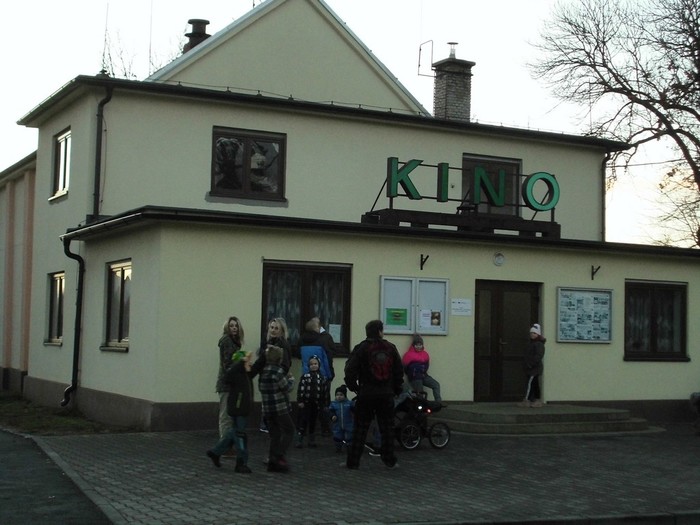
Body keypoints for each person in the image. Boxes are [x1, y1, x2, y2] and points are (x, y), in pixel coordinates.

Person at [343, 319, 403, 470]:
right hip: (386, 394)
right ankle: (390, 460)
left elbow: (350, 370)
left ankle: (353, 462)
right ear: (380, 331)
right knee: (387, 428)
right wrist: (396, 389)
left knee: (360, 428)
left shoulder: (361, 348)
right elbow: (398, 371)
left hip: (366, 393)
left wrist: (354, 387)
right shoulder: (390, 348)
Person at [206, 350, 253, 473]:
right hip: (238, 409)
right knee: (240, 435)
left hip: (242, 408)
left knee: (234, 432)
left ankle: (215, 452)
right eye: (247, 362)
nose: (250, 364)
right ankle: (241, 463)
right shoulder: (235, 374)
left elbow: (257, 367)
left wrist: (265, 355)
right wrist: (241, 362)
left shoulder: (246, 374)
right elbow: (226, 377)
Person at [250, 317, 292, 432]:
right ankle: (270, 426)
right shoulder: (268, 343)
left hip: (276, 381)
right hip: (268, 380)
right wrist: (250, 374)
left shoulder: (282, 345)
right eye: (271, 327)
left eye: (276, 328)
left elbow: (286, 364)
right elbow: (260, 362)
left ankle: (274, 427)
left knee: (278, 407)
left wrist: (275, 374)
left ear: (281, 330)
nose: (273, 330)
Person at [259, 344, 295, 472]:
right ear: (279, 358)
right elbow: (287, 388)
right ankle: (279, 455)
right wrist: (291, 379)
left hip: (267, 409)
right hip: (279, 408)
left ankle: (272, 461)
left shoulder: (263, 372)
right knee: (290, 430)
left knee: (275, 434)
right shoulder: (278, 371)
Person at [299, 317, 335, 435]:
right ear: (316, 328)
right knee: (323, 402)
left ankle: (303, 428)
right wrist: (330, 374)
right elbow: (327, 359)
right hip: (322, 376)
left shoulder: (301, 340)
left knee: (307, 403)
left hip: (306, 375)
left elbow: (299, 356)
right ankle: (325, 428)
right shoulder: (322, 340)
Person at [215, 316, 244, 448]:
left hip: (232, 383)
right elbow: (227, 363)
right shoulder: (227, 341)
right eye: (231, 325)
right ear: (227, 327)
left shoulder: (235, 342)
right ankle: (224, 445)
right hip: (226, 383)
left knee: (229, 416)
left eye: (236, 326)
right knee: (225, 416)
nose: (234, 328)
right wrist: (240, 361)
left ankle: (227, 444)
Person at [295, 355, 329, 448]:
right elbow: (301, 389)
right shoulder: (305, 376)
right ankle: (299, 439)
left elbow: (325, 392)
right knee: (303, 421)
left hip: (317, 404)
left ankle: (311, 440)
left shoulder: (322, 378)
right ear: (308, 366)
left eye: (315, 364)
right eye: (311, 364)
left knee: (313, 421)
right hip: (306, 403)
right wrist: (300, 401)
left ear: (319, 365)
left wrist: (325, 403)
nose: (313, 366)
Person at [402, 334, 442, 403]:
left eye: (420, 345)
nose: (418, 347)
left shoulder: (425, 354)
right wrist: (413, 374)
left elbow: (427, 366)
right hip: (415, 377)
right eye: (416, 345)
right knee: (420, 394)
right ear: (413, 345)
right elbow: (405, 368)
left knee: (436, 385)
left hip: (424, 376)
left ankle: (438, 403)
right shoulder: (408, 355)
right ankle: (421, 407)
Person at [519, 323, 546, 408]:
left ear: (538, 334)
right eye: (531, 333)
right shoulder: (532, 344)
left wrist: (530, 364)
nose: (532, 335)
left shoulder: (538, 344)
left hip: (534, 368)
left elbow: (538, 356)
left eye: (534, 333)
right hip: (531, 367)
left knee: (530, 384)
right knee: (534, 384)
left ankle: (527, 400)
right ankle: (535, 399)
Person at [329, 384, 354, 453]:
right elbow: (330, 412)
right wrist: (332, 416)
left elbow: (354, 410)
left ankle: (349, 447)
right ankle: (338, 447)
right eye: (337, 395)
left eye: (341, 395)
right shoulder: (333, 404)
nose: (339, 396)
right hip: (337, 424)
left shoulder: (349, 403)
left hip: (348, 424)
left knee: (349, 436)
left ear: (345, 395)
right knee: (337, 436)